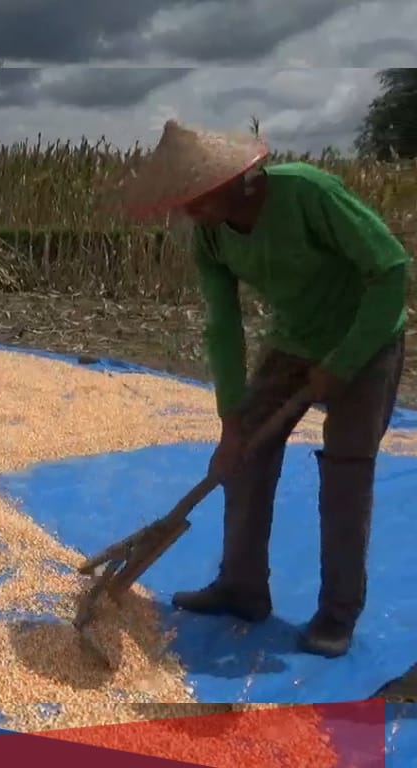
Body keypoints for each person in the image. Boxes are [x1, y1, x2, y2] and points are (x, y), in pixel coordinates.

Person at [116, 119, 411, 658]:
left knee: (346, 476)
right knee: (245, 460)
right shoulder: (210, 235)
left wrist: (345, 362)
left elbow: (391, 269)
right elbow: (222, 326)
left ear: (231, 182)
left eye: (196, 199)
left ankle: (337, 613)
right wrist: (232, 423)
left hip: (365, 339)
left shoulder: (307, 194)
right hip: (294, 341)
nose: (189, 213)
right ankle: (242, 587)